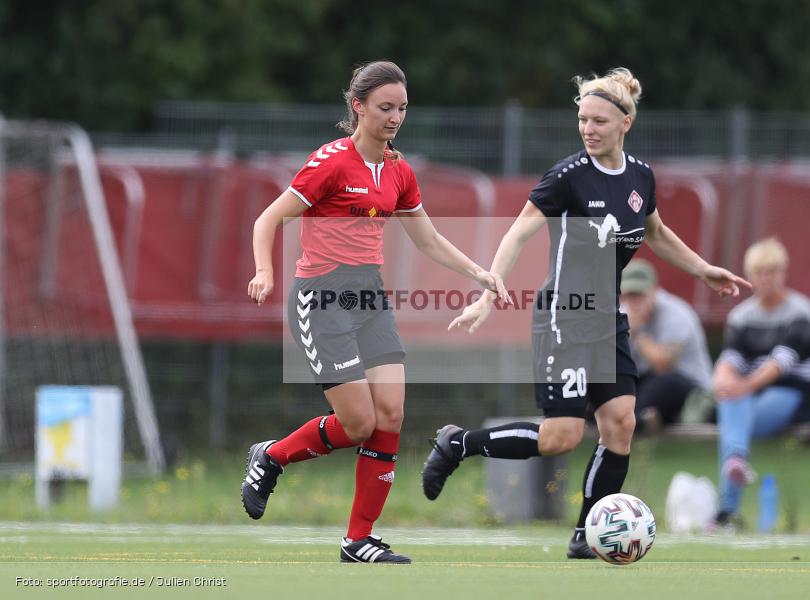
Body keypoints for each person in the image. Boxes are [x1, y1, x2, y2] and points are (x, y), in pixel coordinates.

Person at [422, 67, 750, 559]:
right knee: (562, 436)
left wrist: (703, 268)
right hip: (563, 318)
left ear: (626, 123)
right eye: (582, 119)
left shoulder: (639, 176)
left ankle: (586, 535)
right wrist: (490, 288)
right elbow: (518, 233)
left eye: (598, 120)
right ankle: (458, 444)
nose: (588, 129)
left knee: (621, 422)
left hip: (606, 318)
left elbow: (656, 233)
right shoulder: (568, 177)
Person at [241, 60, 508, 564]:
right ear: (358, 107)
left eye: (403, 108)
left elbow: (426, 237)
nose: (395, 117)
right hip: (321, 300)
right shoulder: (329, 162)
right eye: (386, 107)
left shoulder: (399, 171)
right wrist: (264, 272)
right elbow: (267, 219)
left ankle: (358, 539)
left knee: (390, 414)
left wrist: (479, 272)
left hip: (370, 299)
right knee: (359, 422)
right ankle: (270, 456)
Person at [711, 237, 810, 529]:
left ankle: (726, 510)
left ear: (784, 272)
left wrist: (739, 388)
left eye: (772, 270)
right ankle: (736, 463)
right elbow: (730, 361)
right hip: (750, 396)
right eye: (760, 271)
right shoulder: (741, 316)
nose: (766, 278)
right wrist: (723, 382)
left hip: (794, 392)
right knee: (731, 403)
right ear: (750, 275)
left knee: (734, 419)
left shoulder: (801, 312)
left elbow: (779, 365)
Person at [620, 259, 714, 432]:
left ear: (654, 290)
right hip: (647, 381)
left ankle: (638, 418)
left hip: (690, 388)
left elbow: (664, 365)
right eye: (630, 295)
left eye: (640, 294)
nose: (635, 301)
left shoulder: (677, 314)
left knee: (663, 382)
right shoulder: (621, 313)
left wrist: (637, 333)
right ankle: (627, 417)